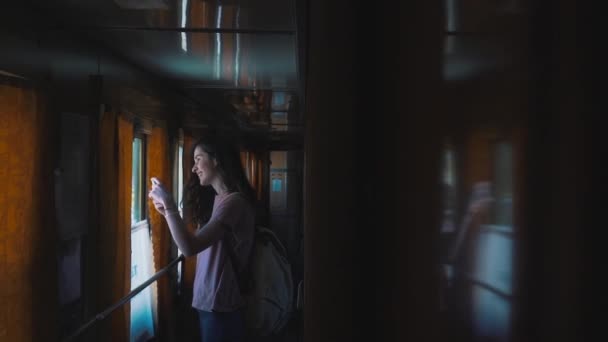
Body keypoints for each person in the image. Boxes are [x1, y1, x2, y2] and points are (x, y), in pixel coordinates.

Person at [148, 134, 256, 342]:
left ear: (216, 160)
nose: (193, 168)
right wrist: (167, 213)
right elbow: (193, 242)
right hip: (212, 302)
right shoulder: (221, 201)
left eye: (198, 159)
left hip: (221, 304)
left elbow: (189, 247)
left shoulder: (234, 203)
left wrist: (170, 207)